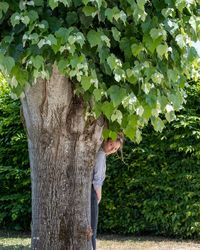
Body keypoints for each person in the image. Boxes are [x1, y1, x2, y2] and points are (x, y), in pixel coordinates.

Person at [91, 134, 124, 250]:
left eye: (115, 149)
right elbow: (97, 180)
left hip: (90, 193)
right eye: (111, 145)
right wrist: (98, 196)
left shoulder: (100, 154)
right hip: (92, 194)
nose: (112, 150)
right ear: (105, 140)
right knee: (92, 230)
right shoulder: (100, 155)